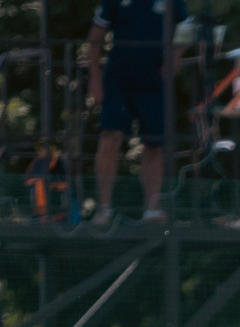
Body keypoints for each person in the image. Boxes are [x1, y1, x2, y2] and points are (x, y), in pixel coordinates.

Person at [88, 0, 190, 227]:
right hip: (118, 78)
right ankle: (104, 208)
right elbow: (96, 34)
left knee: (154, 144)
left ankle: (151, 210)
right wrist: (94, 77)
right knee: (109, 137)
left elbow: (187, 26)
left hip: (154, 79)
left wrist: (175, 55)